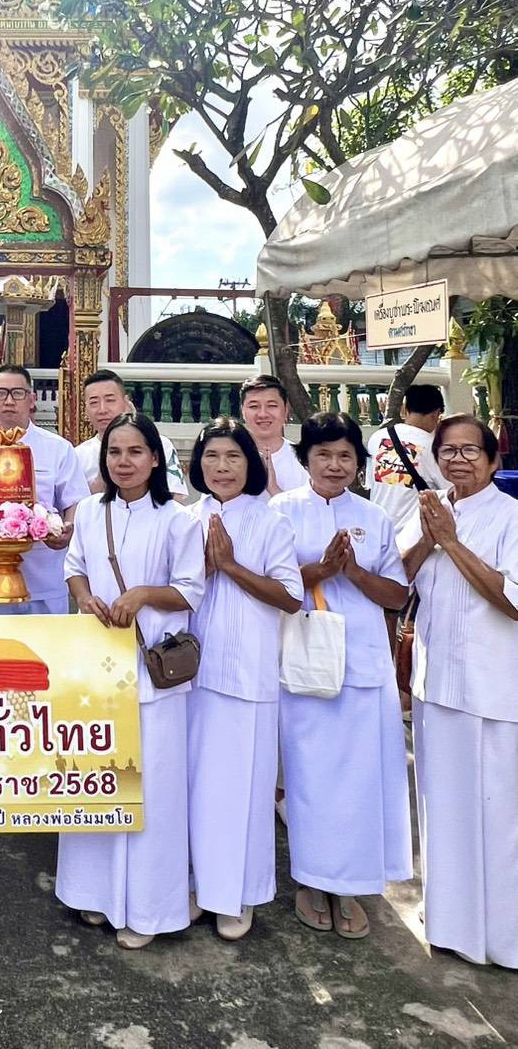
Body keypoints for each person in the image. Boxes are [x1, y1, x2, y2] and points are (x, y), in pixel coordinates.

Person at [56, 412, 204, 948]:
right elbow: (74, 565)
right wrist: (83, 597)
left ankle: (149, 907)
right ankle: (92, 893)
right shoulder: (92, 513)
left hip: (153, 671)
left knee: (153, 788)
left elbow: (190, 590)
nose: (124, 462)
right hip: (98, 664)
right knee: (95, 777)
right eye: (114, 452)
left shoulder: (178, 519)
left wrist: (142, 595)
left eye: (135, 452)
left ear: (156, 459)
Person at [271, 412, 412, 939]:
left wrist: (353, 572)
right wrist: (321, 571)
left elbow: (397, 595)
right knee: (308, 778)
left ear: (359, 463)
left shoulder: (373, 518)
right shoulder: (281, 512)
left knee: (357, 780)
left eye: (345, 456)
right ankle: (310, 880)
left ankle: (350, 884)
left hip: (363, 664)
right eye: (324, 454)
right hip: (304, 665)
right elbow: (271, 585)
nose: (334, 465)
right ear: (305, 458)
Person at [400, 415, 518, 969]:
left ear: (494, 460)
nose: (459, 460)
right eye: (448, 451)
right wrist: (429, 537)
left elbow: (513, 600)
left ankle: (502, 937)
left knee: (499, 816)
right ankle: (447, 921)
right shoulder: (426, 509)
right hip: (435, 685)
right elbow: (397, 581)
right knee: (441, 809)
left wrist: (452, 541)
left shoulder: (510, 515)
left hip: (495, 690)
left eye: (472, 451)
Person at [186, 419, 302, 939]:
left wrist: (230, 566)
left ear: (250, 465)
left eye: (233, 457)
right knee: (194, 785)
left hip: (249, 673)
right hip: (189, 674)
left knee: (245, 787)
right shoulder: (185, 518)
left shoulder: (269, 521)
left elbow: (290, 596)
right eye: (212, 457)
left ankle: (237, 893)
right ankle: (194, 883)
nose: (222, 468)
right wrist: (202, 572)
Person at [0, 365, 89, 616]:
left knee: (47, 652)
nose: (9, 401)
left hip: (45, 573)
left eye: (18, 393)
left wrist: (67, 529)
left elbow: (75, 502)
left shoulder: (58, 449)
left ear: (31, 399)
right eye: (1, 393)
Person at [75, 370, 187, 498]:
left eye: (110, 400)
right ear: (85, 409)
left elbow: (175, 497)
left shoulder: (159, 444)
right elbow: (77, 506)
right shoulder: (77, 455)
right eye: (94, 403)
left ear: (126, 402)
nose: (102, 410)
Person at [365, 384, 447, 536]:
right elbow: (449, 491)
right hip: (414, 537)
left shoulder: (377, 437)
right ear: (436, 414)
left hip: (378, 532)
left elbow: (371, 484)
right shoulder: (433, 447)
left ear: (406, 410)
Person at [240, 375, 307, 498]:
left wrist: (274, 490)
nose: (263, 414)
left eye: (272, 406)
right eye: (254, 406)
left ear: (286, 410)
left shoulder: (304, 460)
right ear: (242, 411)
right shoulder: (230, 457)